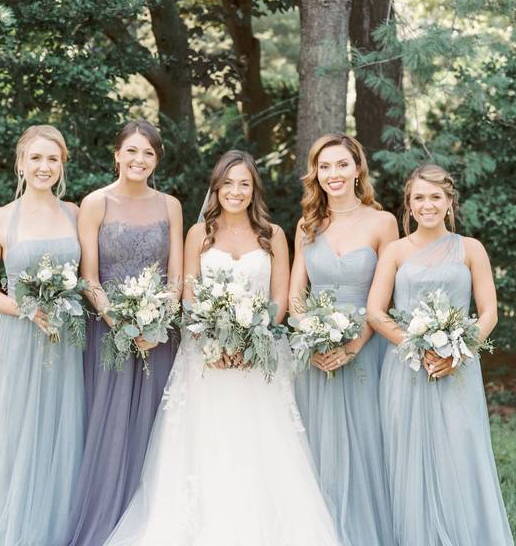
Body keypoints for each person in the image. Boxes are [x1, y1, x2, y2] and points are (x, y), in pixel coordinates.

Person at [104, 150, 340, 546]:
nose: (236, 191)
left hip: (258, 357)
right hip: (205, 360)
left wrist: (251, 338)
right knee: (206, 446)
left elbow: (281, 299)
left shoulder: (274, 235)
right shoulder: (199, 234)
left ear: (254, 189)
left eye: (244, 184)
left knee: (261, 448)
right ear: (216, 186)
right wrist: (214, 339)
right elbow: (189, 297)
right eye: (228, 183)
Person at [366, 163, 514, 546]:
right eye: (419, 198)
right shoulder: (396, 251)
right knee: (408, 460)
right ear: (408, 205)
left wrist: (458, 353)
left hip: (459, 370)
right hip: (407, 369)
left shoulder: (471, 249)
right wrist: (416, 345)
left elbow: (489, 313)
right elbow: (376, 313)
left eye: (436, 197)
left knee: (461, 455)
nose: (427, 204)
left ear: (450, 202)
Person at [0, 125, 85, 546]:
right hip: (20, 339)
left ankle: (60, 522)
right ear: (21, 164)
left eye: (52, 159)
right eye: (36, 158)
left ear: (62, 164)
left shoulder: (76, 213)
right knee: (20, 428)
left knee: (65, 427)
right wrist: (29, 309)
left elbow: (91, 275)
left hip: (67, 339)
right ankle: (15, 522)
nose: (44, 167)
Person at [64, 120, 184, 546]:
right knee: (110, 423)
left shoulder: (170, 205)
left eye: (148, 153)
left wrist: (157, 323)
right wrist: (119, 321)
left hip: (159, 335)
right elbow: (89, 276)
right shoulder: (95, 203)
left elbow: (177, 279)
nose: (139, 160)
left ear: (157, 159)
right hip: (108, 331)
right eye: (132, 151)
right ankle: (105, 520)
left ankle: (152, 524)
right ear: (117, 154)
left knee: (157, 425)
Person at [289, 133, 398, 545]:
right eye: (324, 166)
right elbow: (297, 295)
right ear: (315, 174)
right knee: (318, 449)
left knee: (367, 444)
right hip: (316, 355)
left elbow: (384, 296)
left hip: (366, 350)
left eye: (341, 165)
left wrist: (352, 347)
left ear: (357, 169)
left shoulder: (382, 222)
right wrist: (312, 337)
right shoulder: (307, 224)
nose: (333, 174)